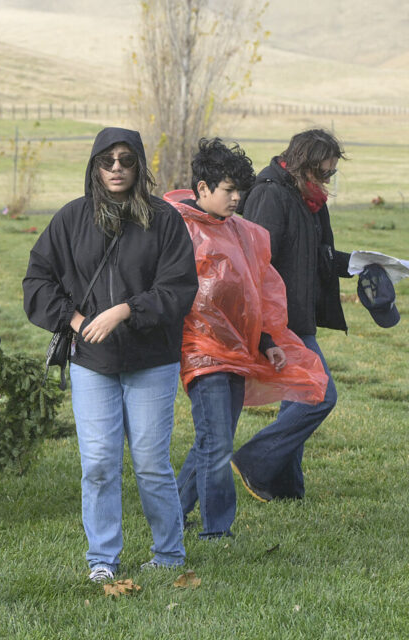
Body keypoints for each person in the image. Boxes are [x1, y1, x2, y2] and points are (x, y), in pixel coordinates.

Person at [23, 127, 197, 584]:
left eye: (126, 159)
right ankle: (102, 558)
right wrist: (76, 321)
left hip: (151, 360)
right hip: (93, 364)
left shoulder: (164, 220)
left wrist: (124, 311)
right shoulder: (71, 219)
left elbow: (179, 290)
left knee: (150, 460)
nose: (116, 168)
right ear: (94, 166)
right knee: (98, 461)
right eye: (107, 160)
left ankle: (169, 553)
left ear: (139, 165)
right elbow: (36, 282)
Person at [165, 139, 329, 539]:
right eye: (228, 190)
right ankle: (216, 531)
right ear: (202, 188)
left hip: (238, 350)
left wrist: (268, 340)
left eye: (241, 190)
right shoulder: (177, 230)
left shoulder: (243, 233)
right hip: (202, 353)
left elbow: (259, 292)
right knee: (216, 442)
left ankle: (172, 515)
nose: (237, 198)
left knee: (212, 440)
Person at [231, 130, 350, 502]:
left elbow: (318, 256)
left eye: (332, 174)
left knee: (297, 397)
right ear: (303, 165)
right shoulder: (270, 195)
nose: (327, 181)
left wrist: (364, 263)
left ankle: (284, 490)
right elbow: (253, 265)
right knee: (319, 395)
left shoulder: (308, 198)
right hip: (278, 323)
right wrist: (265, 332)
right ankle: (253, 460)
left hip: (297, 319)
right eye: (324, 173)